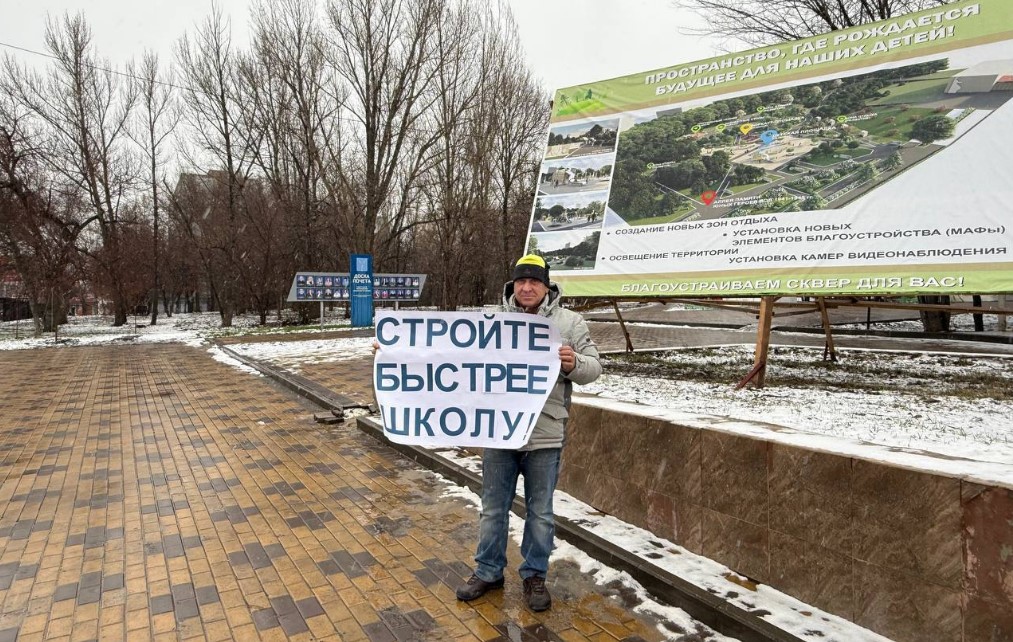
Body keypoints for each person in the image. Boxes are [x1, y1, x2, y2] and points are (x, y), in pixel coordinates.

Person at [455, 254, 601, 612]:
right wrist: (399, 351)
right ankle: (488, 571)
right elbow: (452, 355)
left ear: (546, 285)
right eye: (521, 281)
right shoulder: (494, 322)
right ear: (513, 285)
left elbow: (595, 367)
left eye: (535, 281)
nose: (527, 287)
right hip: (500, 433)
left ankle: (534, 575)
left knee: (541, 513)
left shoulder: (570, 322)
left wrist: (573, 364)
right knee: (492, 509)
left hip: (544, 435)